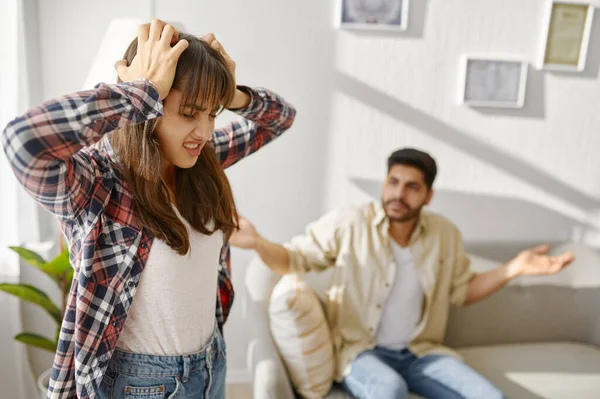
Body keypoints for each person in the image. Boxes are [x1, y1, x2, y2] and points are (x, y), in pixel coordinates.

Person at [2, 19, 296, 399]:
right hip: (141, 385)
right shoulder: (99, 184)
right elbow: (22, 142)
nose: (205, 132)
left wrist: (232, 92)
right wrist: (137, 94)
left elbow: (280, 118)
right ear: (148, 109)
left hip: (211, 364)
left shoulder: (201, 162)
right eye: (190, 113)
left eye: (213, 113)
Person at [230, 148, 575, 399]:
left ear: (428, 195)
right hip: (359, 351)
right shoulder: (351, 222)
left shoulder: (445, 234)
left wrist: (513, 268)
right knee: (389, 391)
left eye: (412, 186)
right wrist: (258, 242)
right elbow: (293, 260)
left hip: (422, 353)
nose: (398, 193)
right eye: (393, 182)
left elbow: (462, 292)